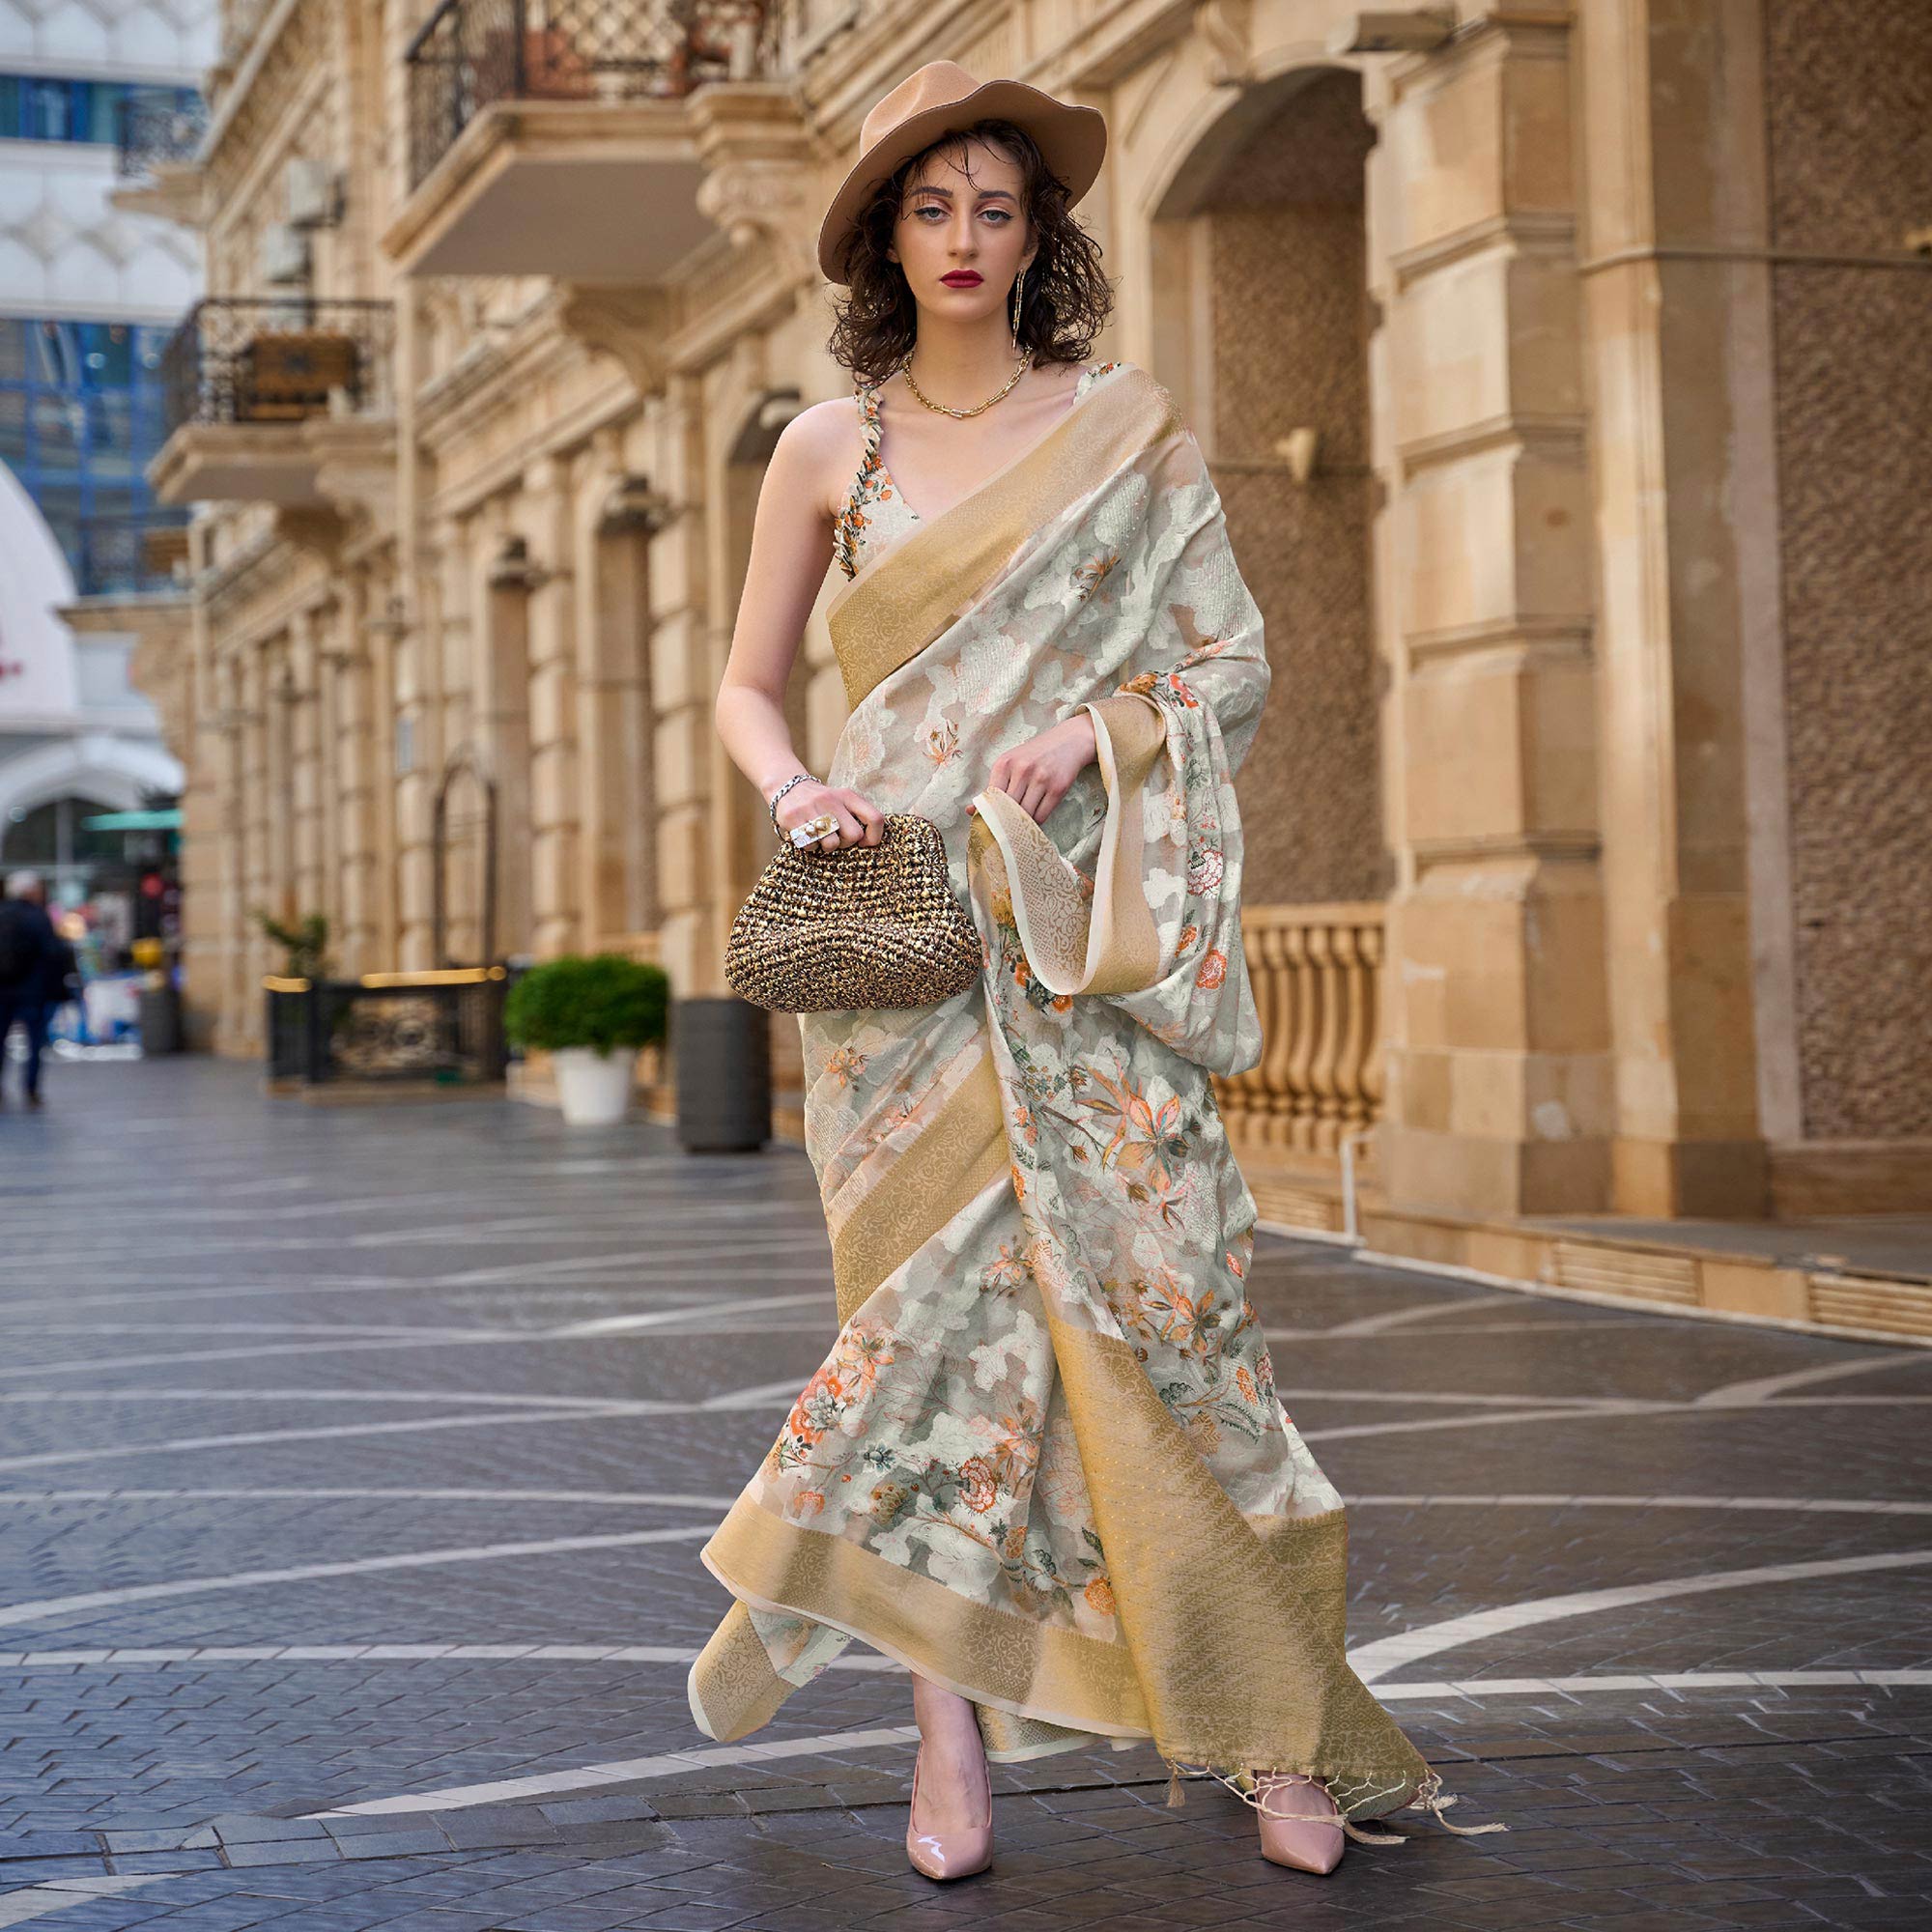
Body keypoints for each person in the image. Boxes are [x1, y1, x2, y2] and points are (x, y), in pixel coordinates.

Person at [696, 60, 1504, 1881]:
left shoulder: (1124, 428)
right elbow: (748, 686)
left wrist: (1092, 728)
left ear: (1035, 234)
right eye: (932, 207)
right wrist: (800, 781)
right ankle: (945, 1731)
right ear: (883, 239)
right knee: (929, 1347)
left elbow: (1228, 660)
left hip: (1078, 946)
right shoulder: (833, 450)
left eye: (996, 207)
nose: (967, 238)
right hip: (899, 952)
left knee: (1178, 1318)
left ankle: (1270, 1724)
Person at [0, 869, 62, 1108]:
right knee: (34, 1042)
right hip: (32, 991)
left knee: (1, 1039)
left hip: (3, 990)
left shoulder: (2, 914)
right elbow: (52, 953)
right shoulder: (38, 916)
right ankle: (31, 1089)